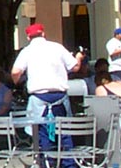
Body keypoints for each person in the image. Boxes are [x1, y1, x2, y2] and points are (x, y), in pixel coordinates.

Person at [11, 22, 85, 158]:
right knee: (64, 131)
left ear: (28, 37)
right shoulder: (57, 48)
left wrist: (18, 82)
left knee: (42, 133)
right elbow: (75, 67)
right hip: (59, 97)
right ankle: (69, 167)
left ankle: (47, 166)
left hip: (39, 98)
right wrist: (79, 57)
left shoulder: (27, 51)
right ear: (43, 34)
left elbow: (15, 72)